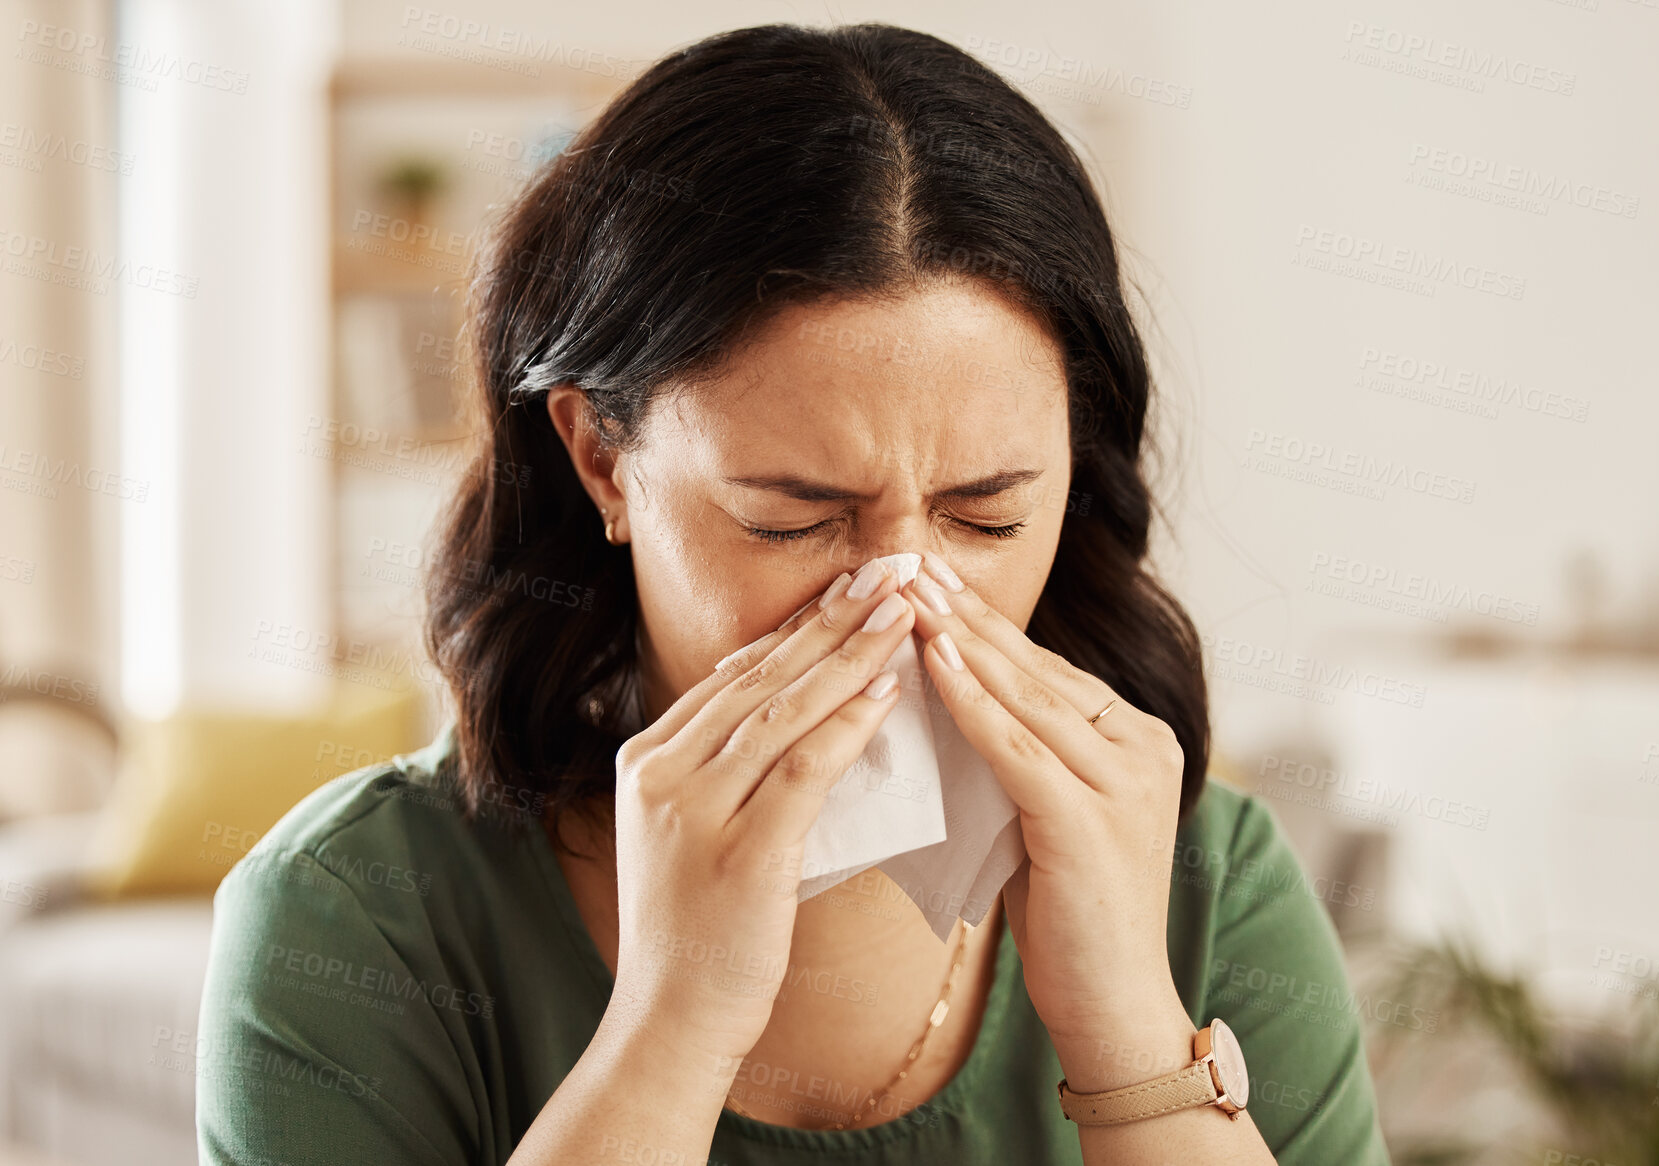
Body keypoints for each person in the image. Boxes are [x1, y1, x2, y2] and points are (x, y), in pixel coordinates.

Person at [196, 22, 1391, 1165]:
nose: (904, 598)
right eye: (792, 519)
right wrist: (671, 1027)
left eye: (987, 514)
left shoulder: (1211, 884)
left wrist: (1130, 1030)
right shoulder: (357, 917)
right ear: (600, 456)